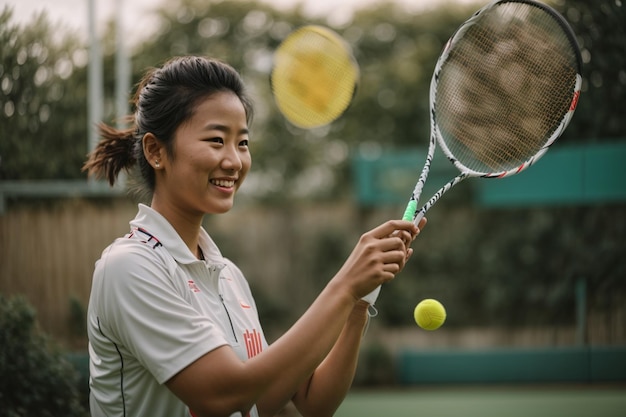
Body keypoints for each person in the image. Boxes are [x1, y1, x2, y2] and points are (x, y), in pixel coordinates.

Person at [83, 55, 426, 417]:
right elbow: (222, 396)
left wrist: (359, 299)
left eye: (242, 143)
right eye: (216, 140)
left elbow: (309, 402)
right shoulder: (129, 268)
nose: (234, 161)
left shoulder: (228, 275)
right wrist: (343, 285)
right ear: (156, 151)